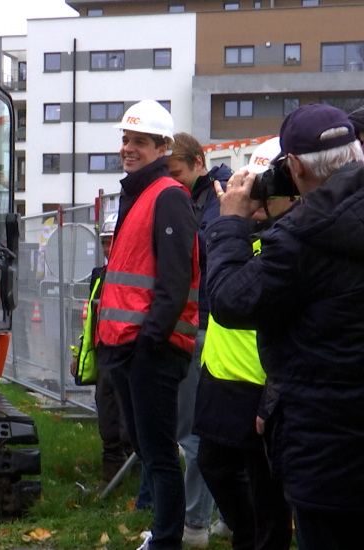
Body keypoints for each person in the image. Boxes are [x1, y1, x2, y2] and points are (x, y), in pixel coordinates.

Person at [206, 103, 364, 550]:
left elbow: (230, 300)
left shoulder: (304, 236)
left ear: (292, 166)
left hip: (329, 450)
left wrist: (232, 224)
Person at [96, 99, 200, 550]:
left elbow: (174, 283)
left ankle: (167, 539)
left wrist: (148, 345)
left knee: (159, 454)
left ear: (162, 147)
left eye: (139, 141)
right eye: (125, 139)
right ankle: (162, 532)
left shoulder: (168, 197)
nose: (128, 148)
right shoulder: (139, 194)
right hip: (126, 345)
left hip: (148, 349)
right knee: (148, 449)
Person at [193, 137, 293, 550]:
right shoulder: (237, 231)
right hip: (220, 373)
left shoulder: (287, 241)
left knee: (268, 492)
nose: (255, 198)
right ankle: (245, 533)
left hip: (262, 384)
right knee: (212, 464)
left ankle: (258, 540)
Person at [167, 132, 232, 548]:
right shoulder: (201, 197)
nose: (172, 181)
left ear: (197, 162)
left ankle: (194, 526)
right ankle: (228, 516)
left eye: (176, 173)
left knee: (194, 431)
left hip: (207, 324)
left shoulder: (219, 201)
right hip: (208, 323)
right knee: (216, 431)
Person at [71, 213, 133, 482]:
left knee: (128, 420)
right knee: (107, 413)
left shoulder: (133, 274)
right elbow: (91, 322)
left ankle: (133, 477)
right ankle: (111, 477)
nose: (108, 249)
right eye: (105, 243)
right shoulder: (99, 276)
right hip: (104, 353)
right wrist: (80, 354)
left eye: (112, 242)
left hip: (129, 355)